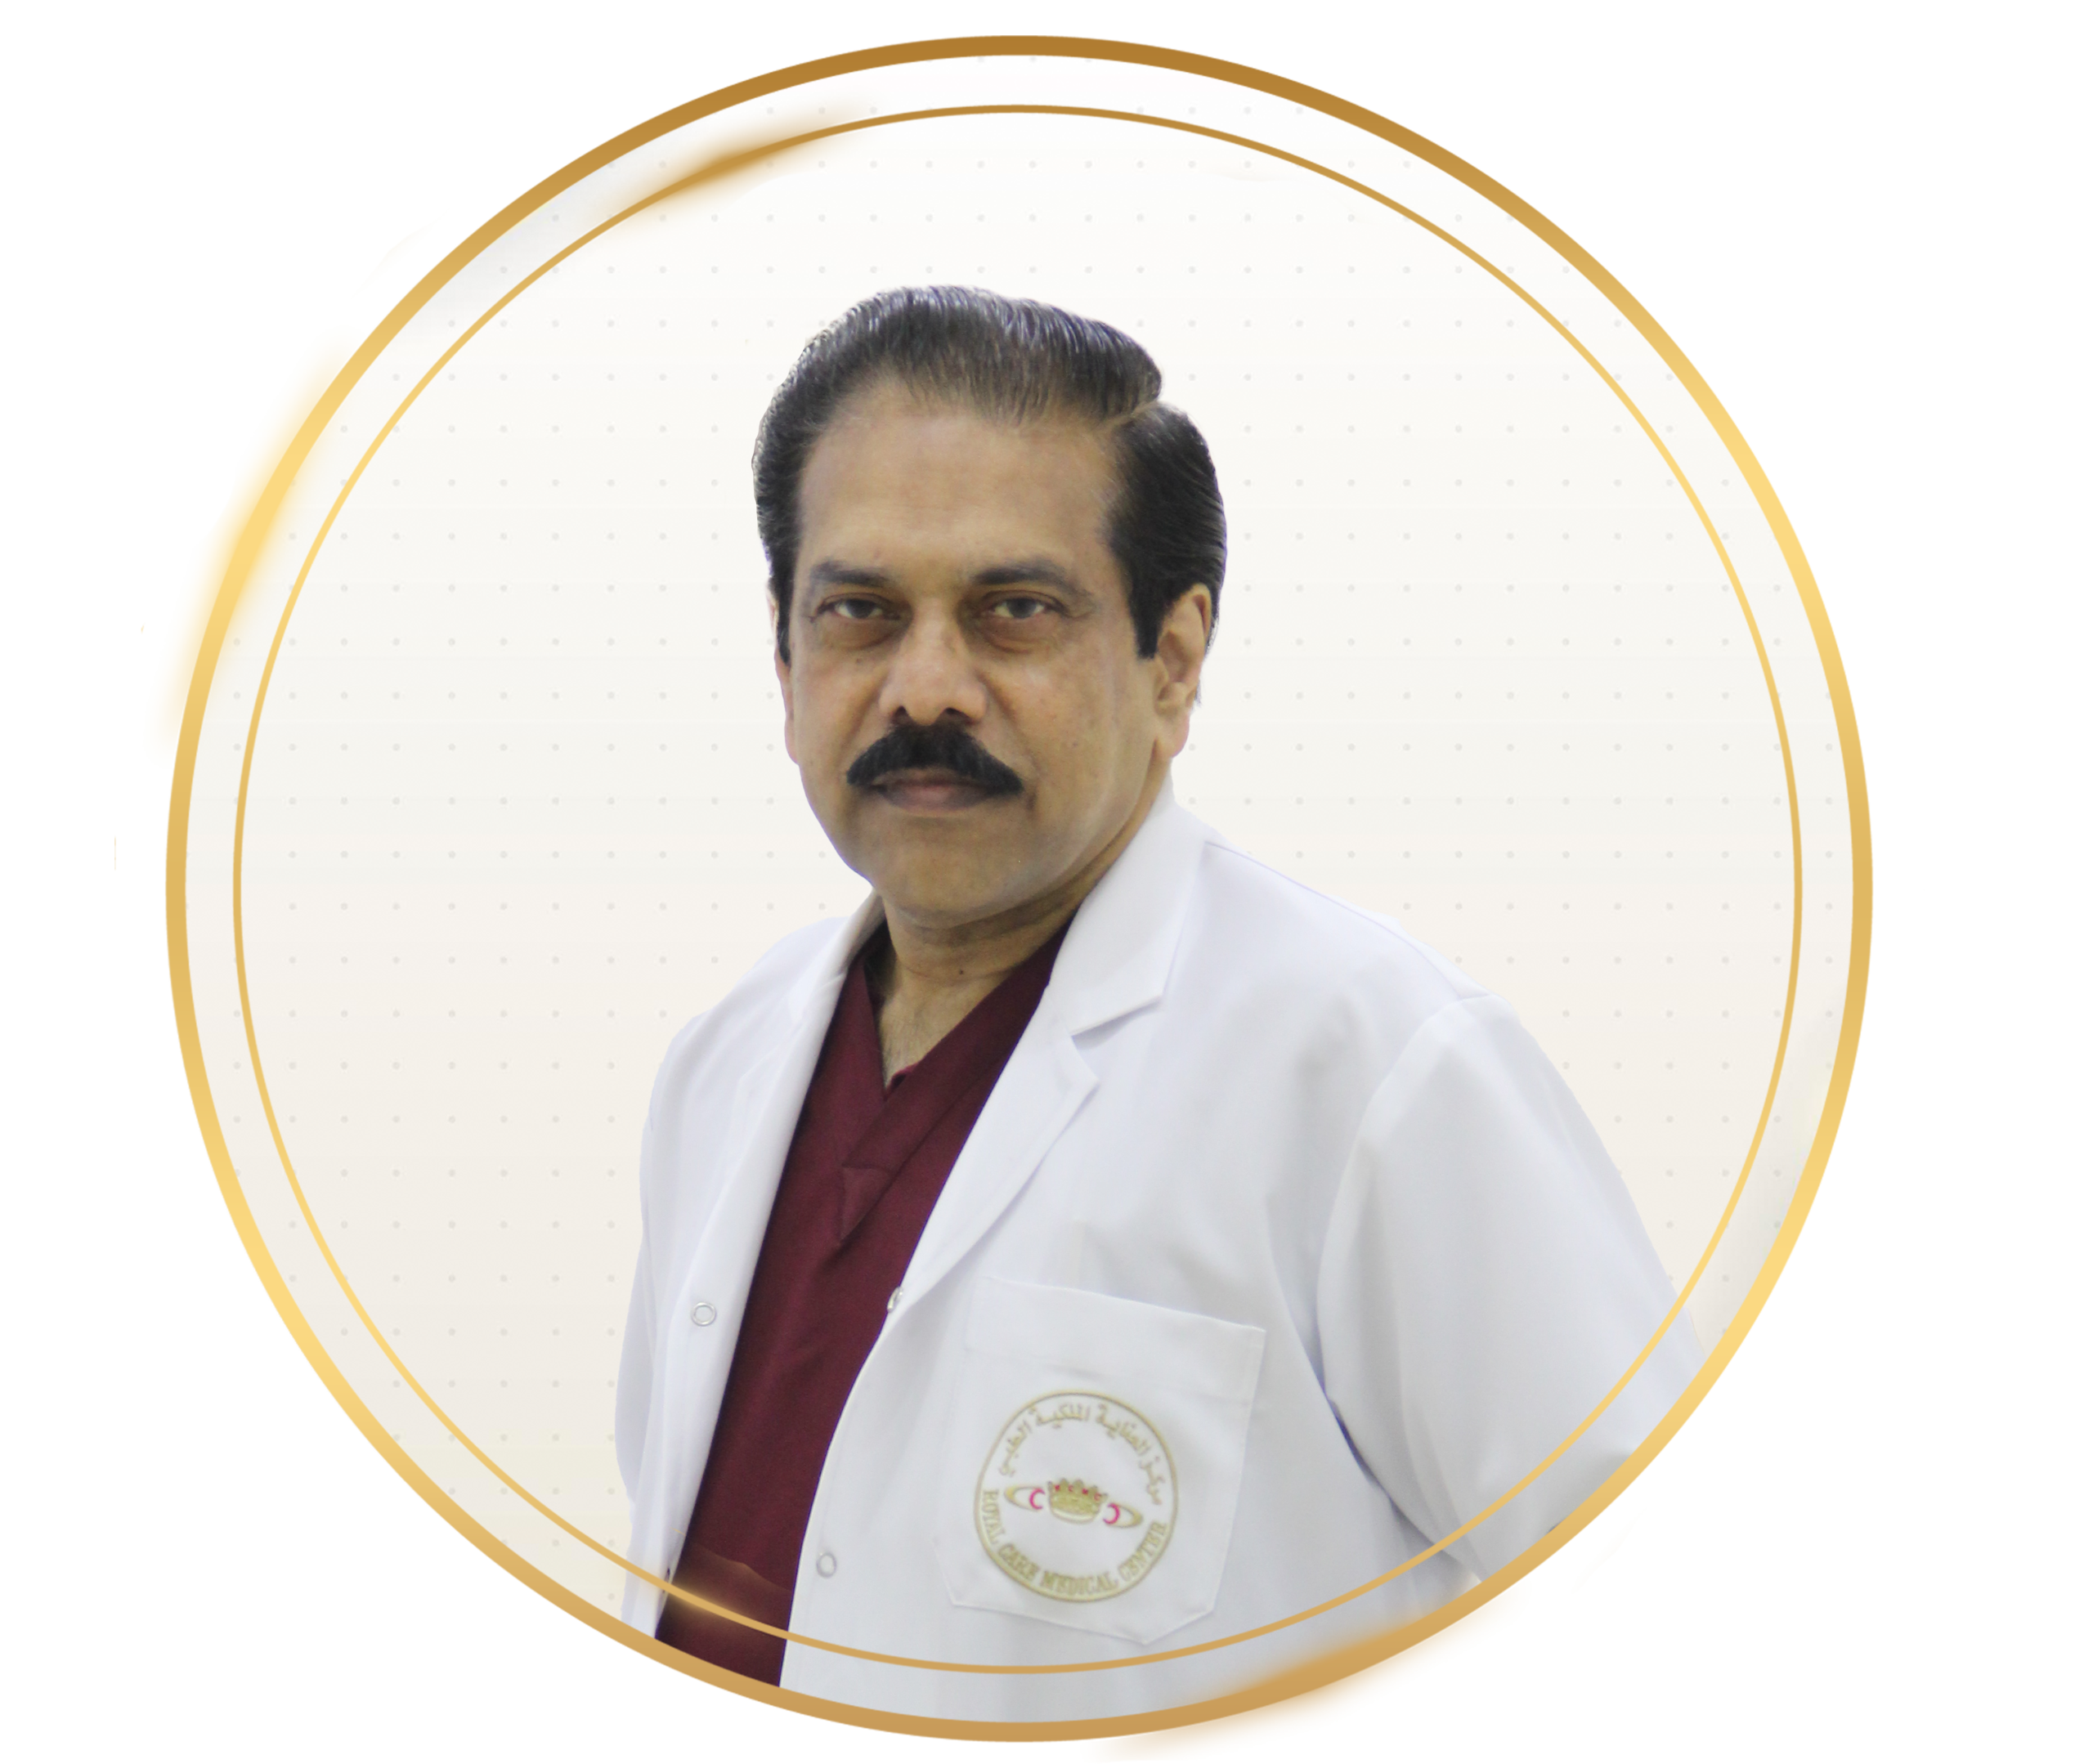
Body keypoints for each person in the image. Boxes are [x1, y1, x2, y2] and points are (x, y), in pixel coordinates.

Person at [615, 287, 1701, 1719]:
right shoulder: (723, 1065)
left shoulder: (1374, 1067)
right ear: (784, 654)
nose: (925, 688)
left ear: (1173, 659)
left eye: (1015, 612)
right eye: (860, 613)